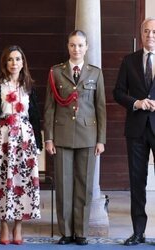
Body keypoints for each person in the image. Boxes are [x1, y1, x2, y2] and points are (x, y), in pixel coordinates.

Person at [44, 30, 106, 245]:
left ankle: (81, 231)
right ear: (67, 47)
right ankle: (66, 231)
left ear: (86, 47)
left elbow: (100, 108)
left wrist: (101, 140)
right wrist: (48, 138)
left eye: (80, 45)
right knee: (63, 185)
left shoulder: (95, 73)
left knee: (85, 185)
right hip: (62, 136)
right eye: (72, 45)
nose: (76, 49)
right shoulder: (56, 72)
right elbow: (49, 109)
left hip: (88, 136)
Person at [0, 45, 43, 245]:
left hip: (24, 139)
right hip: (2, 138)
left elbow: (35, 117)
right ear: (5, 63)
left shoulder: (30, 86)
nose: (14, 63)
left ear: (23, 62)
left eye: (17, 59)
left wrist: (38, 144)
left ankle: (18, 226)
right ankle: (4, 226)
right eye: (10, 59)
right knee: (1, 182)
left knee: (21, 183)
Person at [113, 17, 155, 246]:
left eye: (154, 32)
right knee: (137, 182)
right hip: (136, 129)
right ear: (141, 34)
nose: (150, 35)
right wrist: (137, 103)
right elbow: (118, 93)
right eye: (146, 31)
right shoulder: (129, 61)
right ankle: (138, 232)